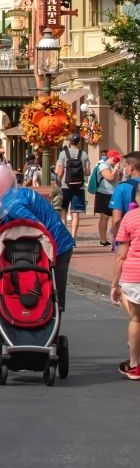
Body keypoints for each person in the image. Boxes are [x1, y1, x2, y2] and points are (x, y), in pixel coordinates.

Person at [0, 187, 76, 311]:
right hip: (53, 244)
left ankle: (49, 325)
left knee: (52, 298)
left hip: (56, 247)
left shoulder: (13, 206)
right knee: (46, 297)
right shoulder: (10, 197)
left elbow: (37, 227)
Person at [110, 184, 140, 380]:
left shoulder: (130, 218)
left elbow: (121, 255)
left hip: (134, 274)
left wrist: (114, 284)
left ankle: (134, 364)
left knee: (136, 318)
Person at [55, 134, 90, 238]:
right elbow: (88, 172)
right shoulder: (83, 154)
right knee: (75, 213)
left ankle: (64, 236)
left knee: (63, 211)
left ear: (70, 142)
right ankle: (73, 237)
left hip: (65, 186)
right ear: (79, 142)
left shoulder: (63, 154)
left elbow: (59, 171)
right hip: (78, 186)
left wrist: (58, 181)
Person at [91, 149, 121, 246]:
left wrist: (118, 172)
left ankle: (114, 239)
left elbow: (117, 179)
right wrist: (116, 169)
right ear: (110, 157)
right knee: (104, 216)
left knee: (115, 216)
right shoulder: (103, 165)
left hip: (113, 193)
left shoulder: (112, 166)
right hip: (104, 193)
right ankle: (103, 240)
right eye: (115, 159)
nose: (117, 161)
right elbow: (110, 177)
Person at [111, 152, 140, 244]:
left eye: (125, 166)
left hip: (130, 239)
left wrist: (117, 242)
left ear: (131, 167)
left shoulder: (122, 187)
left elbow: (117, 220)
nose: (124, 169)